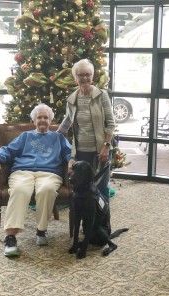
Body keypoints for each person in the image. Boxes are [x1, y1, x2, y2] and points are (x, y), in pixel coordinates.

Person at [0, 103, 72, 257]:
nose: (42, 120)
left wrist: (71, 162)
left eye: (45, 117)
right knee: (20, 190)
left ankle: (41, 231)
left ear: (50, 121)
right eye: (39, 117)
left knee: (46, 190)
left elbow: (70, 153)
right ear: (34, 120)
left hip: (49, 173)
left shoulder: (58, 137)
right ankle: (10, 237)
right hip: (22, 172)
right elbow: (7, 151)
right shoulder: (25, 136)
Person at [57, 59, 116, 203]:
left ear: (92, 76)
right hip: (80, 153)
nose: (85, 78)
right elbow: (67, 121)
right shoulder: (72, 99)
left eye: (88, 74)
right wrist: (52, 135)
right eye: (81, 74)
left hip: (100, 151)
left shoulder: (102, 95)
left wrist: (106, 146)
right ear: (75, 77)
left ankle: (102, 224)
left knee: (101, 189)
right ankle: (87, 224)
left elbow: (111, 123)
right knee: (82, 189)